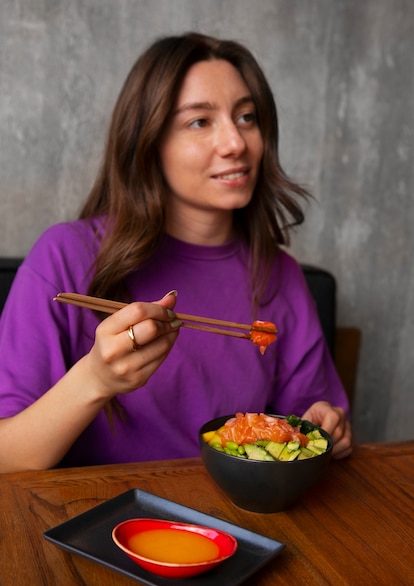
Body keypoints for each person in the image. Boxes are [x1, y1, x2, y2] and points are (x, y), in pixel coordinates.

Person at [0, 32, 352, 472]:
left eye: (246, 117)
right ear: (148, 142)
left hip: (232, 527)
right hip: (100, 526)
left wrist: (325, 427)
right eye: (200, 122)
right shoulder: (65, 255)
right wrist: (96, 379)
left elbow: (306, 422)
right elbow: (7, 458)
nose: (236, 143)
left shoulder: (279, 273)